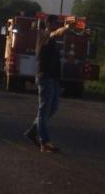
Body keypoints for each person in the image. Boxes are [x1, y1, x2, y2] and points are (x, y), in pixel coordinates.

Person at [24, 15, 69, 153]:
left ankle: (33, 131)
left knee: (53, 108)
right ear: (48, 23)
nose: (57, 24)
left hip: (53, 79)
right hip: (45, 78)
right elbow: (56, 34)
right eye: (55, 22)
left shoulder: (52, 40)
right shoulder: (44, 35)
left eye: (58, 23)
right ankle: (45, 142)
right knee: (43, 110)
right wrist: (66, 28)